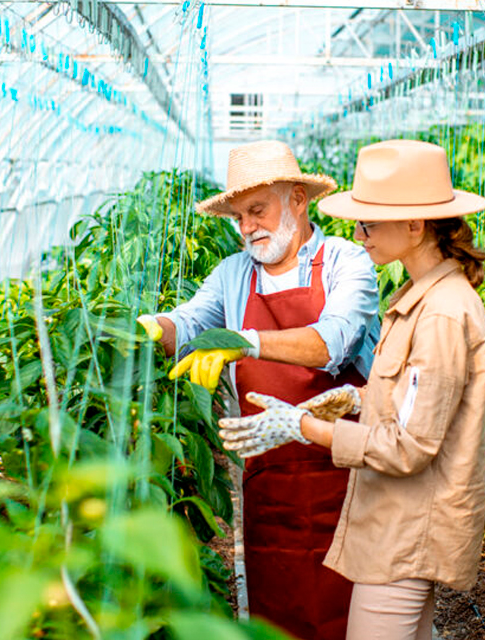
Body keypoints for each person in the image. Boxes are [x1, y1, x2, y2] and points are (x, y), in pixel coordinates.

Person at [217, 139, 485, 640]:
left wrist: (302, 424)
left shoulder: (443, 313)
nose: (359, 232)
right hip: (390, 519)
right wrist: (360, 400)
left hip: (404, 530)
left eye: (370, 222)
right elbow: (414, 406)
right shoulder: (415, 298)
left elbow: (409, 447)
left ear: (416, 225)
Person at [136, 140, 381, 639]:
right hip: (270, 487)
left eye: (257, 210)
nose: (247, 227)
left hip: (344, 476)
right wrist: (143, 329)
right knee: (276, 615)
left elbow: (331, 342)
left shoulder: (343, 261)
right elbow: (187, 323)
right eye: (238, 216)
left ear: (297, 199)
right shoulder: (234, 275)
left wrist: (243, 341)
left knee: (349, 616)